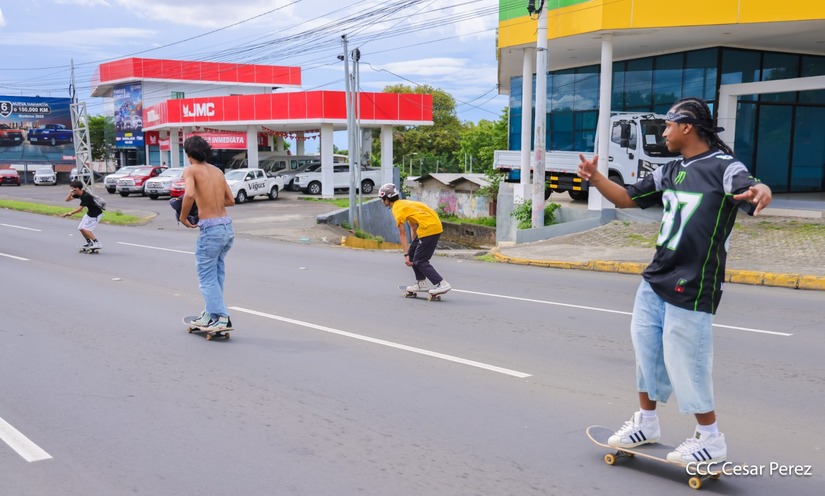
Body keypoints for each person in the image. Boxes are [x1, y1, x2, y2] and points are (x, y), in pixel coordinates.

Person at [577, 97, 772, 464]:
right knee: (647, 353)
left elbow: (750, 185)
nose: (664, 132)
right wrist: (596, 178)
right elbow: (627, 199)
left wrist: (762, 190)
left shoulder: (723, 167)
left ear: (687, 127)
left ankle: (710, 438)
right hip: (656, 278)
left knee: (688, 362)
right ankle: (646, 422)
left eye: (668, 125)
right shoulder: (671, 170)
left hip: (694, 284)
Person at [179, 135, 236, 330]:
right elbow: (230, 200)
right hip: (227, 227)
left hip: (211, 229)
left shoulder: (191, 170)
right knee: (217, 274)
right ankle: (210, 313)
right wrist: (211, 201)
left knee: (206, 276)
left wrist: (183, 217)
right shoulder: (218, 171)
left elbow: (189, 194)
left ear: (188, 154)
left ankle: (221, 317)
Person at [378, 183, 451, 296]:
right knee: (413, 254)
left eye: (382, 199)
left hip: (429, 229)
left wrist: (406, 254)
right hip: (430, 225)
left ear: (387, 199)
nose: (382, 202)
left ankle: (441, 283)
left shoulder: (397, 209)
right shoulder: (404, 204)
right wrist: (413, 248)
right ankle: (421, 283)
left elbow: (402, 233)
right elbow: (413, 226)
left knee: (420, 260)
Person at [62, 180, 102, 249]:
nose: (71, 190)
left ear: (77, 188)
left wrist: (70, 213)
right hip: (90, 213)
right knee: (80, 227)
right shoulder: (78, 194)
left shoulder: (86, 196)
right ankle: (89, 242)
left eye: (72, 188)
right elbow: (67, 200)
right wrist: (70, 193)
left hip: (95, 214)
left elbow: (80, 209)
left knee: (86, 229)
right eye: (71, 188)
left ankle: (97, 243)